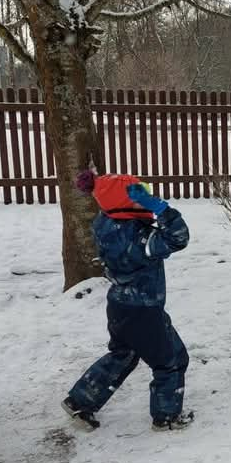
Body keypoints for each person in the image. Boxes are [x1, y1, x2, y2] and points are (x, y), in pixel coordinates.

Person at [62, 171, 193, 432]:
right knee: (172, 360)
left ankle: (80, 400)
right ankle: (166, 416)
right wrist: (161, 209)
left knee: (123, 355)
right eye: (139, 196)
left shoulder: (105, 224)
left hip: (121, 306)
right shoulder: (138, 238)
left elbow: (114, 206)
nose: (145, 200)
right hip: (144, 310)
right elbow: (179, 238)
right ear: (123, 204)